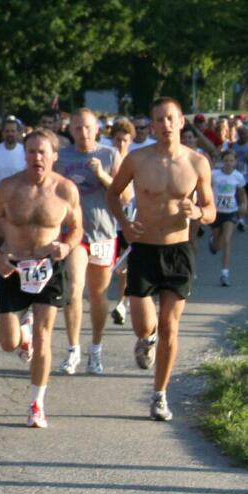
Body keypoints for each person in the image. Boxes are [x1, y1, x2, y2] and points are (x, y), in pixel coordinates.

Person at [107, 97, 215, 421]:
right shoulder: (137, 160)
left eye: (170, 118)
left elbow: (211, 209)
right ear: (151, 125)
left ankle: (159, 395)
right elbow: (113, 194)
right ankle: (147, 339)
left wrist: (197, 212)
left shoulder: (197, 162)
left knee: (170, 325)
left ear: (181, 121)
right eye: (159, 119)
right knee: (144, 325)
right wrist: (125, 224)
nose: (165, 125)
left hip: (179, 250)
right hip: (144, 248)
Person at [0, 128, 82, 427]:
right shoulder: (8, 188)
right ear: (24, 155)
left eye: (42, 152)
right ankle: (21, 336)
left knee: (44, 335)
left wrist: (67, 246)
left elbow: (77, 228)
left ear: (54, 156)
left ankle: (37, 404)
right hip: (14, 267)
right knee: (7, 342)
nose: (37, 157)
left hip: (48, 267)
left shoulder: (65, 190)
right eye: (31, 152)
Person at [55, 108, 126, 375]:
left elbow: (126, 195)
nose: (83, 132)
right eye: (77, 127)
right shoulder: (61, 157)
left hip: (103, 232)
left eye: (87, 127)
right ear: (70, 130)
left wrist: (102, 176)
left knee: (98, 295)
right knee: (74, 289)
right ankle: (73, 349)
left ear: (97, 129)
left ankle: (95, 349)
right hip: (74, 233)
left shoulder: (110, 154)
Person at [109, 119, 136, 326]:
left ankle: (121, 304)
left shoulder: (136, 161)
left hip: (129, 218)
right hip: (108, 220)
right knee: (110, 266)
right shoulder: (107, 159)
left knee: (124, 267)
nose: (121, 144)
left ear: (130, 141)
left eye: (124, 140)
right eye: (118, 140)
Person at [208, 150, 246, 286]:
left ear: (235, 162)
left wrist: (243, 205)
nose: (228, 163)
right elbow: (206, 190)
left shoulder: (238, 176)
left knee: (227, 240)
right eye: (226, 161)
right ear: (222, 162)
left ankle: (224, 273)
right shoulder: (214, 175)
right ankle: (213, 241)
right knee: (216, 246)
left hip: (230, 212)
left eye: (231, 161)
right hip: (216, 212)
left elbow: (241, 194)